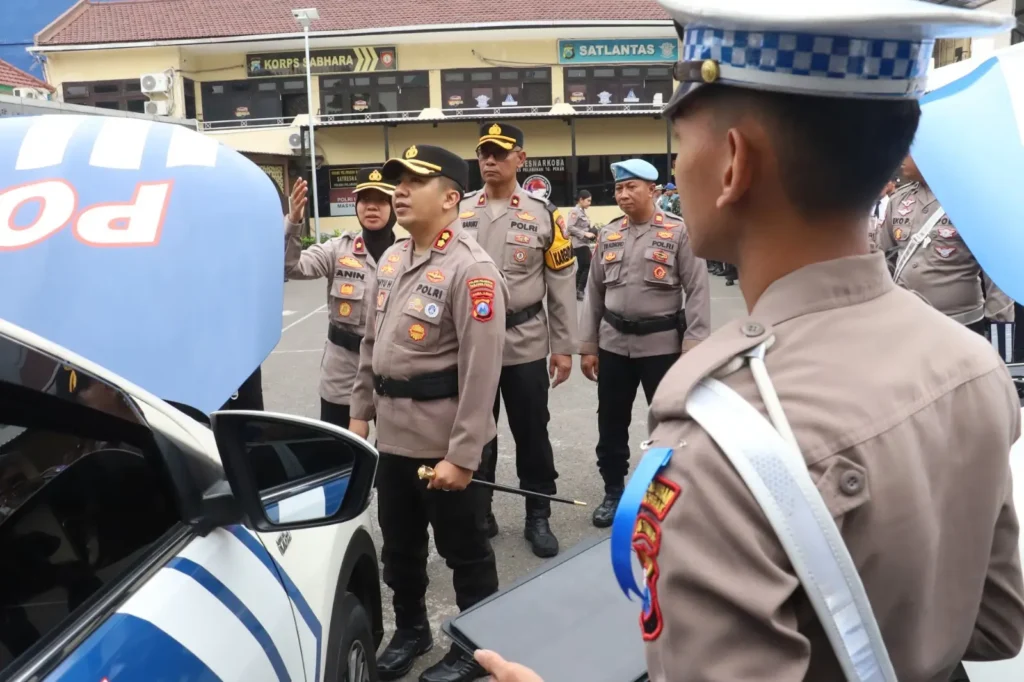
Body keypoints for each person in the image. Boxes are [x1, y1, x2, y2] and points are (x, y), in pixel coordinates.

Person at [476, 0, 1024, 680]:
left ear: (733, 163)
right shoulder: (971, 365)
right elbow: (995, 626)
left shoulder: (719, 437)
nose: (676, 172)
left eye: (681, 145)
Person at [348, 143, 508, 682]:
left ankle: (478, 647)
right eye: (399, 181)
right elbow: (372, 343)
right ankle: (412, 628)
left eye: (414, 181)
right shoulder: (392, 258)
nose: (400, 191)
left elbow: (482, 373)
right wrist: (359, 414)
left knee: (465, 552)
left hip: (446, 443)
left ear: (450, 198)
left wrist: (463, 457)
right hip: (395, 440)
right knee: (400, 547)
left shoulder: (472, 269)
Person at [459, 122, 577, 558]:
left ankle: (538, 513)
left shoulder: (544, 214)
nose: (489, 160)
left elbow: (562, 283)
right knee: (476, 430)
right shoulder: (460, 213)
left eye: (499, 152)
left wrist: (563, 347)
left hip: (525, 340)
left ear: (520, 159)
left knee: (532, 431)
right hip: (472, 345)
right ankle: (480, 510)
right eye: (483, 152)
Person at [578, 158, 711, 527]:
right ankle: (614, 491)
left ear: (652, 190)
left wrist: (694, 345)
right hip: (614, 345)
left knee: (669, 422)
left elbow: (698, 291)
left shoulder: (679, 232)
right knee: (611, 421)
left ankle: (668, 489)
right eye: (618, 188)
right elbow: (594, 292)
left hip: (662, 346)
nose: (622, 194)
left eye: (630, 187)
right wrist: (588, 345)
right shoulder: (609, 233)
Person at [283, 170, 398, 427]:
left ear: (394, 205)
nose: (371, 207)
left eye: (381, 200)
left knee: (391, 454)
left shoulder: (408, 254)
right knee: (339, 450)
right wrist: (294, 220)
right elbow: (291, 267)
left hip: (390, 368)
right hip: (343, 369)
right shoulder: (337, 249)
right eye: (364, 199)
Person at [879, 154, 1016, 362]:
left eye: (912, 151)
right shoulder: (898, 201)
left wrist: (1001, 335)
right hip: (908, 327)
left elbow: (996, 275)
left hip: (961, 328)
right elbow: (884, 261)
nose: (903, 156)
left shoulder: (972, 202)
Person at [567, 189, 596, 300]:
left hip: (584, 243)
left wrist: (592, 232)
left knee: (583, 266)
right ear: (581, 200)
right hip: (579, 243)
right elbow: (570, 227)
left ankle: (574, 290)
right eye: (588, 201)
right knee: (587, 265)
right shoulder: (575, 211)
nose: (589, 203)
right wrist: (585, 233)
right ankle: (579, 290)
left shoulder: (582, 211)